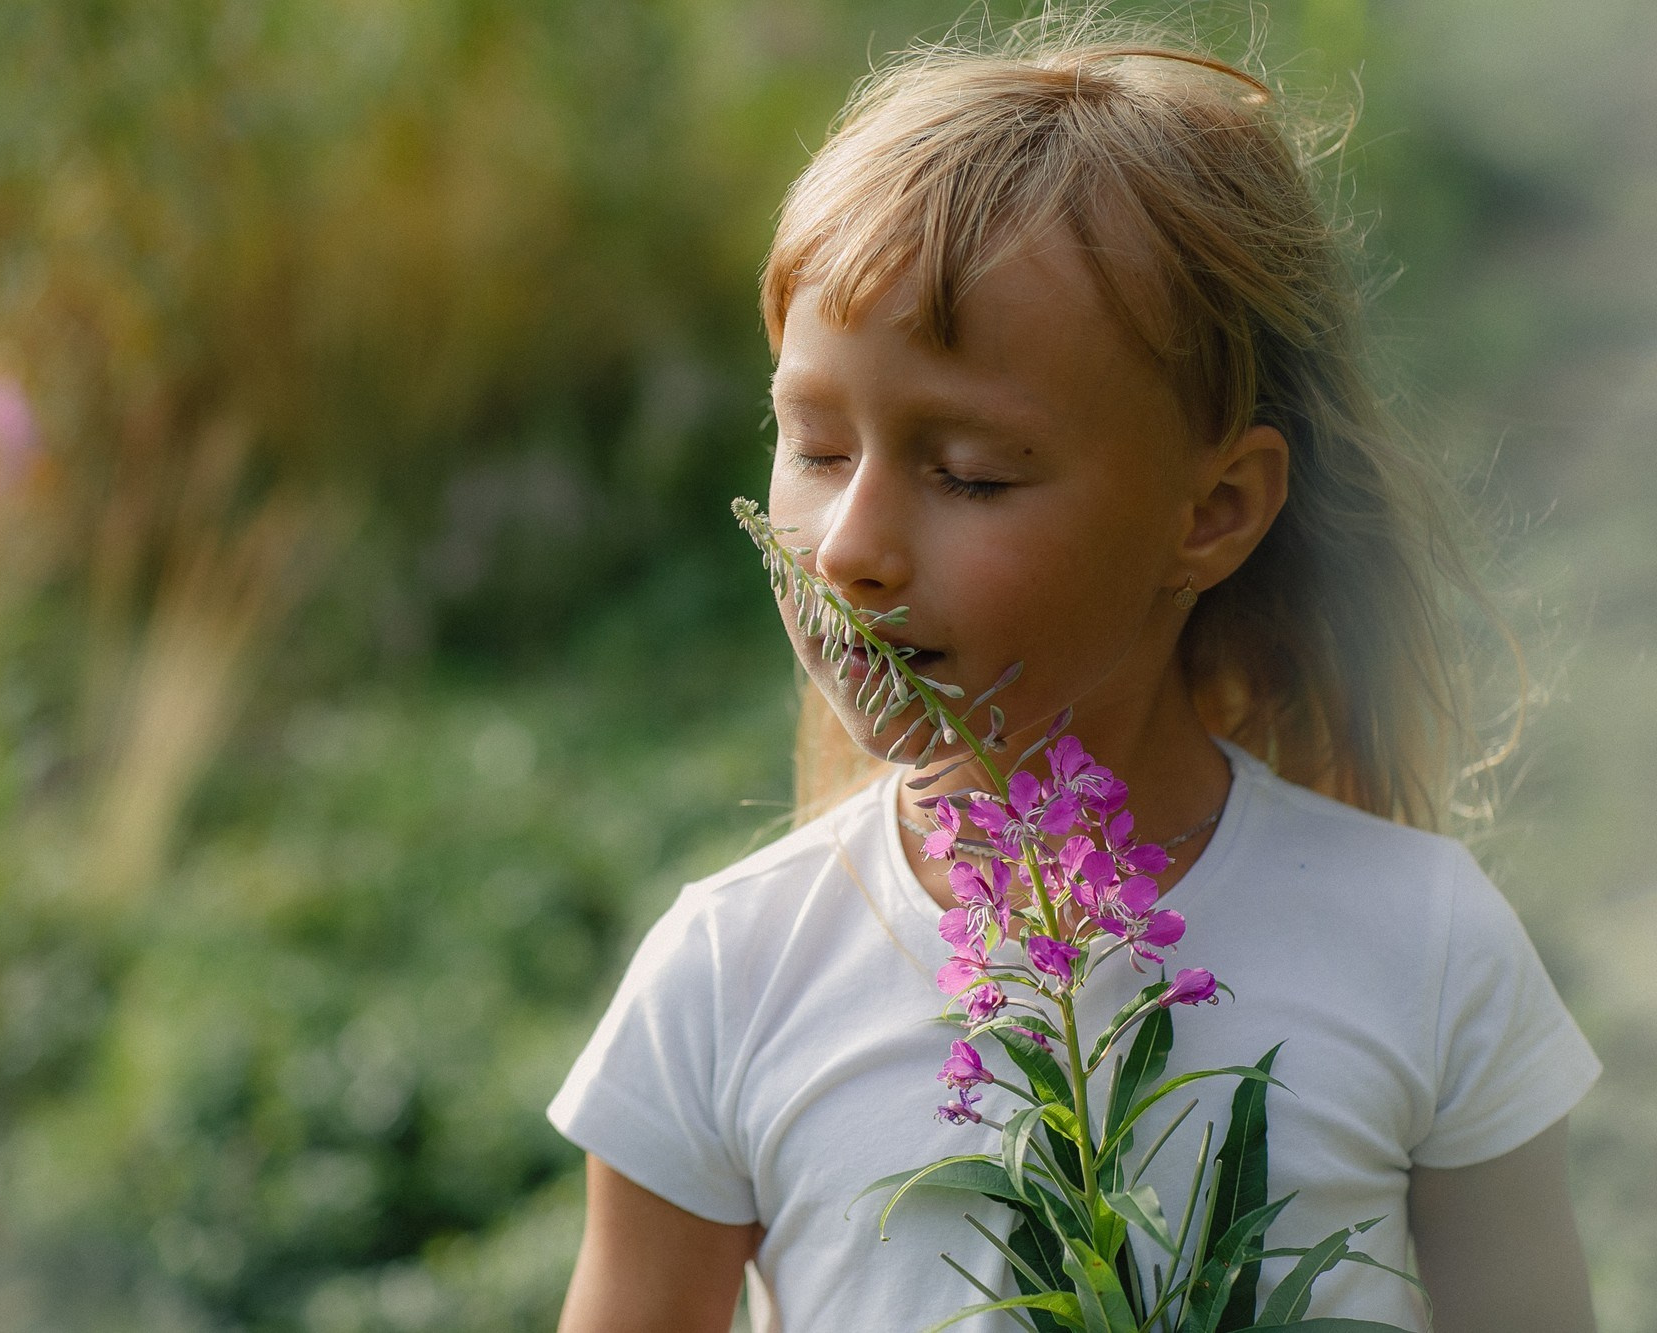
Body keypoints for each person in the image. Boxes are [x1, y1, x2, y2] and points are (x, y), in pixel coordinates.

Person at [549, 20, 1600, 1333]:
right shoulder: (729, 976)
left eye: (969, 474)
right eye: (814, 445)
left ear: (1211, 511)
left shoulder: (1426, 948)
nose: (853, 548)